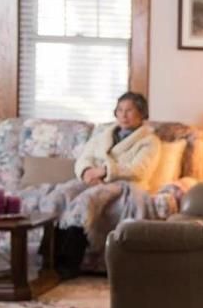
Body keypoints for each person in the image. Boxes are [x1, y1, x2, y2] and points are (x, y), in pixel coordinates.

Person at [55, 91, 161, 278]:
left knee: (87, 200)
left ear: (142, 113)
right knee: (64, 193)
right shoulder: (104, 135)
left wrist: (105, 171)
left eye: (129, 110)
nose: (123, 115)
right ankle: (48, 260)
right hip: (95, 180)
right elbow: (85, 157)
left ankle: (69, 263)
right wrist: (87, 171)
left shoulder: (149, 141)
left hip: (124, 185)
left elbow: (139, 170)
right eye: (120, 110)